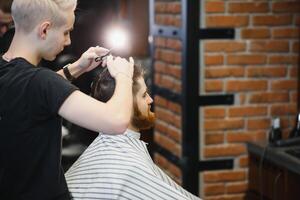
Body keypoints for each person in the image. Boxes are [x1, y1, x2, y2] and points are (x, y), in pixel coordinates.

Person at [0, 0, 134, 199]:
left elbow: (33, 91)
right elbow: (116, 121)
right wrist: (124, 76)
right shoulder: (40, 81)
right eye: (65, 32)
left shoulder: (7, 68)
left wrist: (77, 67)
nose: (68, 41)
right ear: (44, 30)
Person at [65, 65, 201, 200]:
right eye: (143, 95)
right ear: (126, 104)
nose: (150, 100)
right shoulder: (129, 166)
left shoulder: (105, 146)